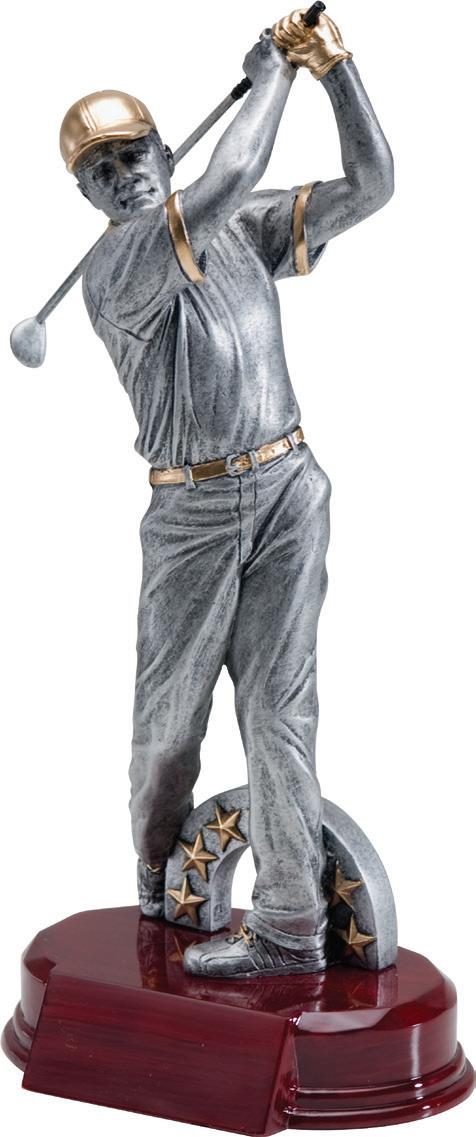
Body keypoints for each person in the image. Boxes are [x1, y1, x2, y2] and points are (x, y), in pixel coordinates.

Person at [59, 8, 394, 978]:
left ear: (165, 150)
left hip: (289, 485)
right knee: (169, 726)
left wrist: (333, 68)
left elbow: (373, 184)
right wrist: (272, 73)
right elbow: (230, 174)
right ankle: (156, 875)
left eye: (135, 153)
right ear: (86, 195)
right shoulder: (118, 267)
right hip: (192, 515)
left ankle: (288, 925)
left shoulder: (238, 232)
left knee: (280, 712)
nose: (124, 174)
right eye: (101, 169)